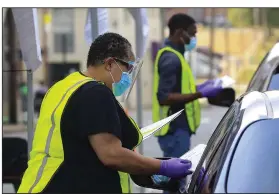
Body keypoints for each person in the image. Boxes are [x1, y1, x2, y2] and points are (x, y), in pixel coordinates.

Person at [17, 32, 194, 193]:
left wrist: (146, 168)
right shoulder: (96, 93)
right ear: (110, 64)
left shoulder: (64, 86)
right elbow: (111, 154)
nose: (129, 76)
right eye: (128, 69)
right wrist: (161, 167)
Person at [152, 14, 222, 158]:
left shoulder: (177, 55)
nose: (194, 38)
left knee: (178, 177)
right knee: (175, 178)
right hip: (174, 131)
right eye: (192, 34)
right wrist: (199, 94)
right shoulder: (171, 59)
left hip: (179, 130)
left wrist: (201, 88)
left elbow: (181, 89)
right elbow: (164, 97)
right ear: (180, 32)